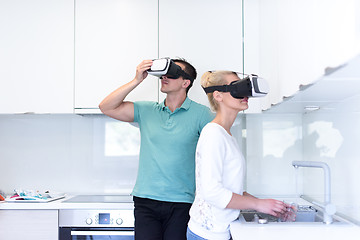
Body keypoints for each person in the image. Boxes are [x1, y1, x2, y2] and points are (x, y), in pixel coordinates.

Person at [99, 58, 214, 240]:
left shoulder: (202, 115)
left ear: (186, 83)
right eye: (164, 74)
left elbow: (215, 154)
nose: (165, 77)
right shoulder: (147, 110)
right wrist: (136, 80)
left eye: (173, 73)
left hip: (182, 202)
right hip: (146, 201)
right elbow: (106, 107)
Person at [187, 71, 291, 240]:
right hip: (207, 234)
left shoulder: (226, 135)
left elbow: (233, 189)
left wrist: (268, 206)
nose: (245, 94)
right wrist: (259, 204)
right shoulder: (213, 134)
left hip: (219, 231)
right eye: (237, 87)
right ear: (218, 96)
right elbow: (212, 192)